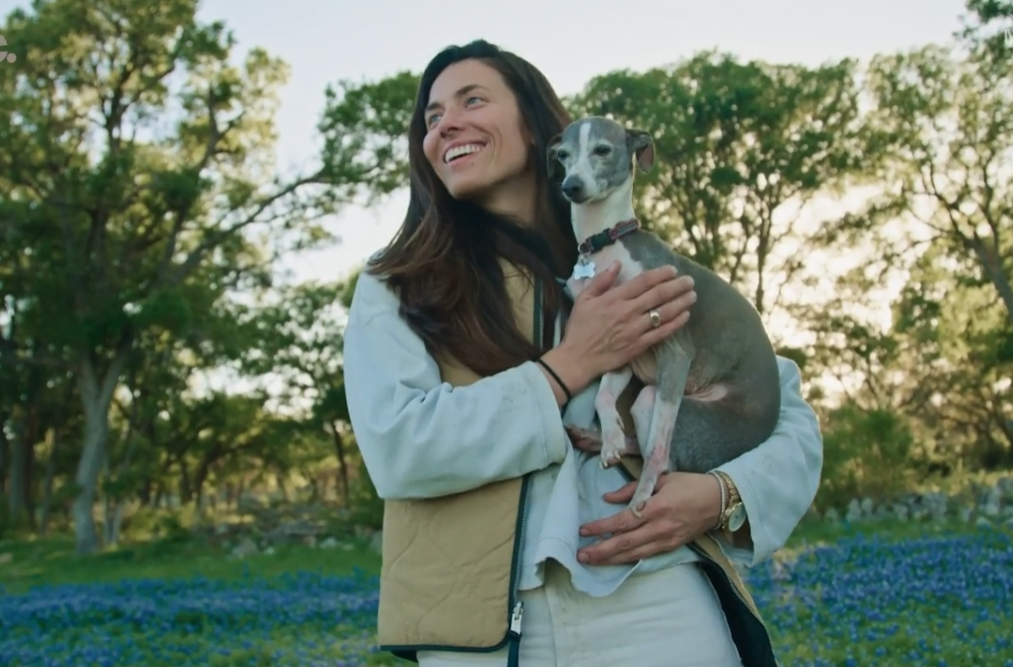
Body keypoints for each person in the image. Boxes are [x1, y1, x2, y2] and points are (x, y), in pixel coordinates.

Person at [342, 39, 822, 667]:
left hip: (661, 604)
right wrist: (570, 364)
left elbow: (780, 409)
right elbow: (399, 449)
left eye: (472, 101)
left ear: (536, 128)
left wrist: (723, 495)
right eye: (432, 118)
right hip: (481, 636)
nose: (446, 124)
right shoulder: (399, 283)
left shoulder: (637, 262)